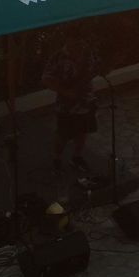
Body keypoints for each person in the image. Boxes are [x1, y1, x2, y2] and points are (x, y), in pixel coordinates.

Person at [43, 31, 101, 174]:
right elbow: (46, 79)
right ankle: (56, 158)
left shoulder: (88, 53)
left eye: (81, 41)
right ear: (68, 39)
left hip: (86, 101)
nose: (79, 44)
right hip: (66, 105)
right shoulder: (58, 57)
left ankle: (77, 157)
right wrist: (65, 91)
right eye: (75, 41)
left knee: (83, 131)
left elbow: (96, 69)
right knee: (62, 134)